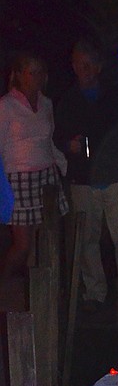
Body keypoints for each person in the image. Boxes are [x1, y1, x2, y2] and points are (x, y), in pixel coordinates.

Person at [55, 39, 118, 304]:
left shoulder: (116, 97)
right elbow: (57, 136)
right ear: (73, 66)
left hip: (117, 179)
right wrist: (68, 144)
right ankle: (94, 293)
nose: (84, 70)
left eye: (88, 64)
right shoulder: (68, 100)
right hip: (83, 180)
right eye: (79, 65)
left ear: (98, 66)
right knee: (86, 242)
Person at [0, 51, 68, 280]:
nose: (36, 77)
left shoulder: (46, 103)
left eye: (40, 72)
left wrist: (63, 165)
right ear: (19, 75)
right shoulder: (6, 105)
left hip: (46, 176)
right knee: (22, 246)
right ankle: (3, 284)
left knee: (43, 244)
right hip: (18, 179)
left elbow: (49, 141)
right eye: (31, 72)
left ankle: (35, 292)